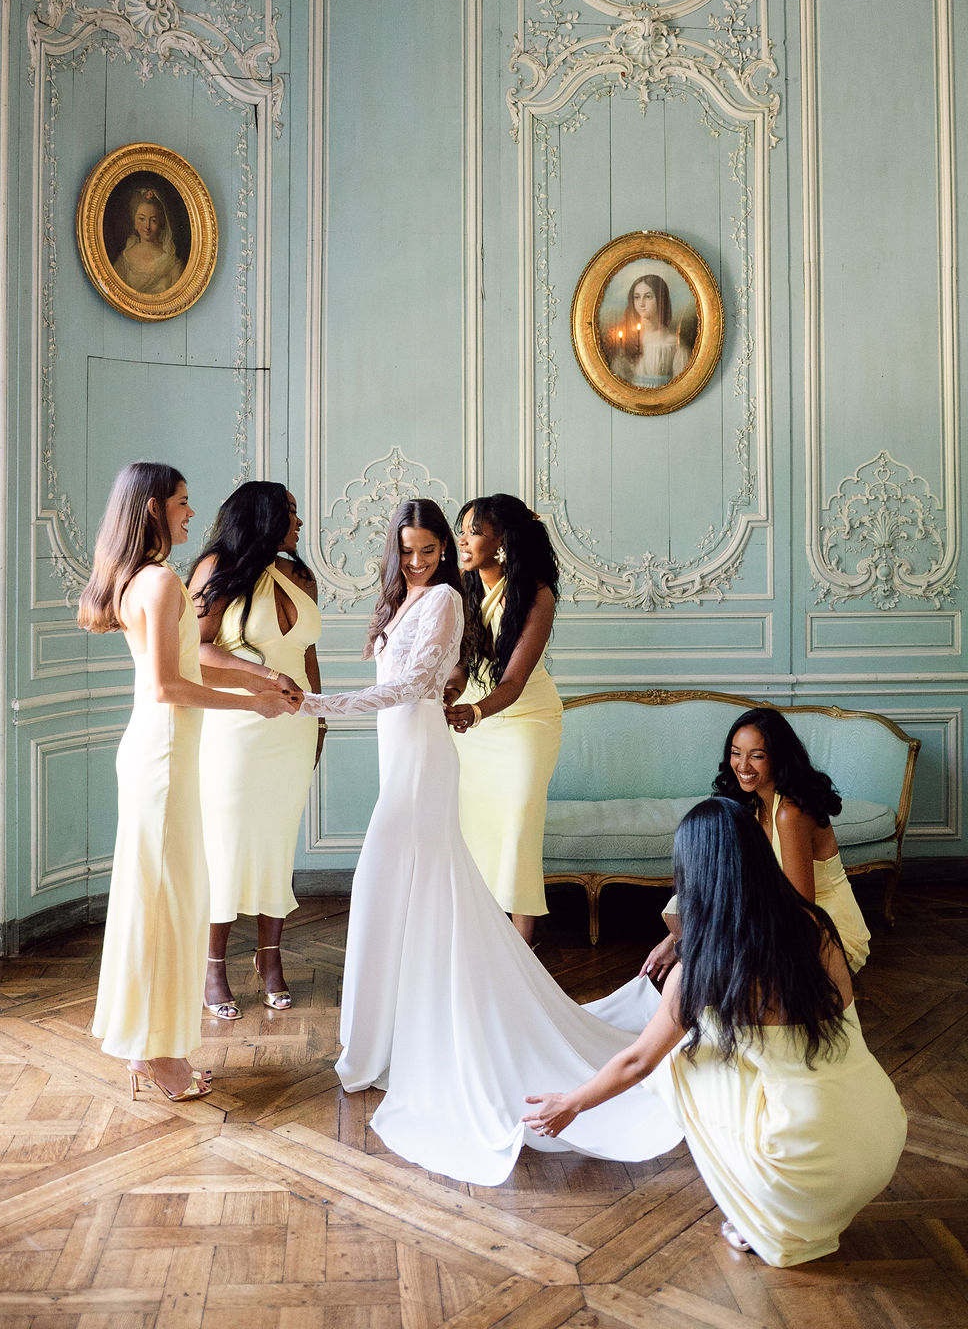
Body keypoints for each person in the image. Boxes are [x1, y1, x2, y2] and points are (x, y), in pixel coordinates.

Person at [285, 498, 682, 1185]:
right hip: (420, 744)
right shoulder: (428, 596)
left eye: (436, 547)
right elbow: (448, 669)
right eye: (410, 550)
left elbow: (431, 681)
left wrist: (320, 706)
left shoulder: (463, 597)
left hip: (489, 729)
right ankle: (389, 1040)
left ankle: (410, 1033)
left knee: (439, 872)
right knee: (409, 886)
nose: (422, 560)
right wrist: (454, 691)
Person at [525, 798, 906, 1268]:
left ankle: (760, 1213)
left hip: (808, 1168)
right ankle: (786, 1198)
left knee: (677, 1062)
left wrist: (570, 1104)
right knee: (746, 1046)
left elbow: (637, 1061)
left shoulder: (703, 969)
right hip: (880, 1133)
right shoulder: (816, 926)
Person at [78, 463, 291, 1101]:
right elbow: (169, 686)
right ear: (152, 509)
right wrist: (255, 705)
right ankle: (157, 1054)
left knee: (160, 900)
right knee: (166, 907)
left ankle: (148, 1045)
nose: (190, 514)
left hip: (155, 753)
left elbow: (190, 662)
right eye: (181, 502)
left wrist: (261, 680)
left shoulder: (133, 580)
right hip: (165, 757)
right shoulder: (163, 581)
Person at [189, 482, 324, 1018]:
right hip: (237, 729)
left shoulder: (301, 575)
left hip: (291, 730)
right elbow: (194, 648)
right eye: (290, 513)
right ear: (262, 517)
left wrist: (318, 717)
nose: (298, 523)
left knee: (276, 843)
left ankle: (270, 960)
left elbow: (307, 654)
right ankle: (212, 967)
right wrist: (263, 675)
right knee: (228, 846)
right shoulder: (218, 568)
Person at [642, 707, 871, 983]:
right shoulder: (749, 805)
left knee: (719, 961)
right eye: (736, 753)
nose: (743, 765)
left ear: (778, 758)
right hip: (778, 911)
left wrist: (728, 933)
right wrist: (676, 939)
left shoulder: (790, 813)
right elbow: (729, 880)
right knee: (684, 907)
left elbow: (802, 908)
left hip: (820, 926)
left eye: (757, 756)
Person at [445, 495, 562, 945]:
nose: (463, 539)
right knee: (477, 831)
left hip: (526, 723)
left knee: (518, 829)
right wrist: (453, 693)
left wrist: (473, 711)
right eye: (464, 529)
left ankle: (522, 952)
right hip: (472, 725)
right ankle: (486, 945)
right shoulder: (460, 587)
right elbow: (460, 663)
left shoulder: (536, 594)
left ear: (503, 541)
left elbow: (513, 682)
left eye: (474, 530)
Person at [606, 273, 688, 387]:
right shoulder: (626, 339)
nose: (641, 303)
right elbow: (618, 378)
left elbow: (682, 384)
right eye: (637, 297)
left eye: (648, 296)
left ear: (660, 299)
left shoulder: (673, 342)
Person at [112, 187, 185, 295]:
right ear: (134, 222)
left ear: (161, 223)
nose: (147, 226)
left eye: (153, 220)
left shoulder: (172, 263)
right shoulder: (124, 260)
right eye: (142, 219)